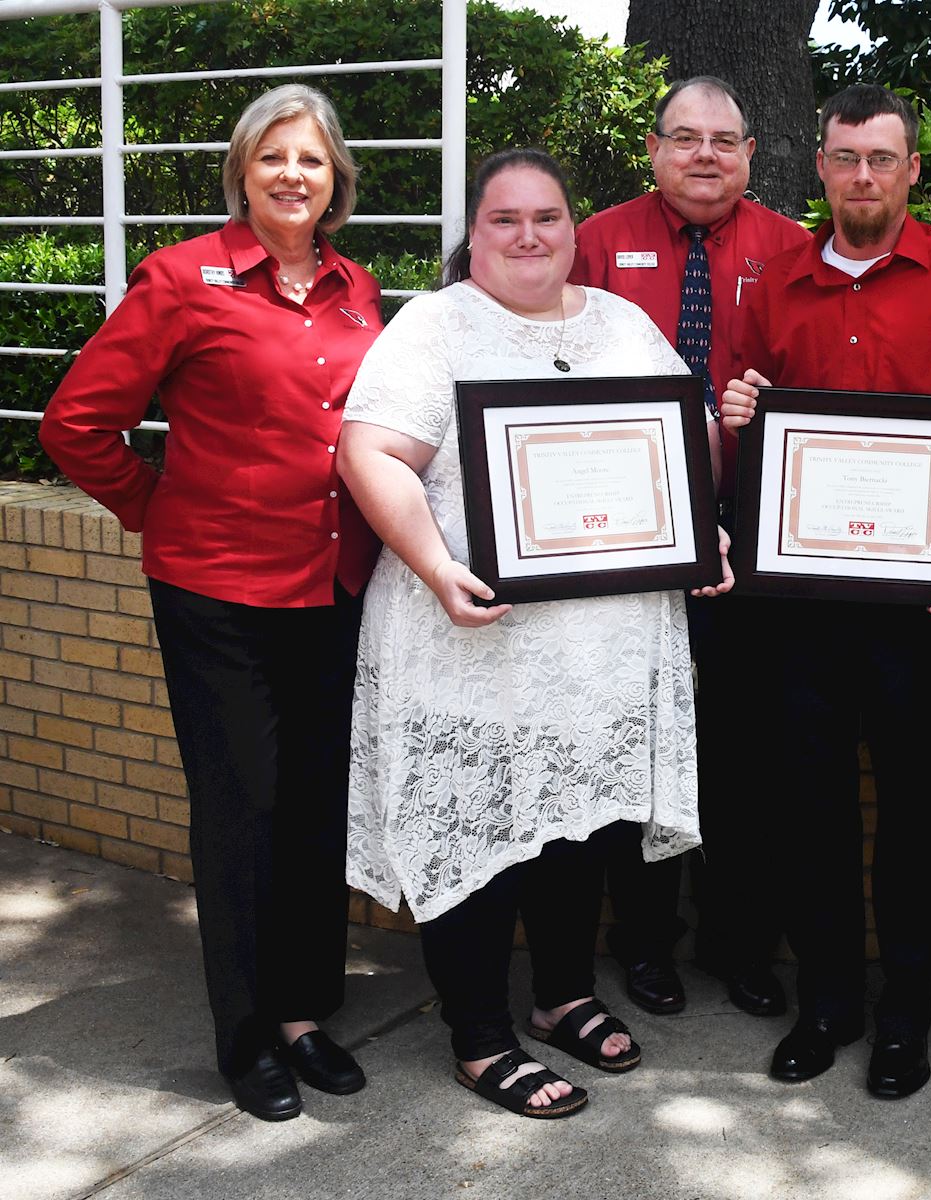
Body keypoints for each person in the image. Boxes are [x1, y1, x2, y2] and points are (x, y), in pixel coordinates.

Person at [337, 148, 728, 1121]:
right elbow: (371, 451)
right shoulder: (437, 327)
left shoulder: (622, 323)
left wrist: (700, 530)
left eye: (546, 217)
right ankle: (478, 1036)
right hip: (471, 640)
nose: (528, 236)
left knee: (576, 829)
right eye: (505, 219)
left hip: (594, 652)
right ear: (474, 233)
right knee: (480, 835)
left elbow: (681, 443)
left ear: (572, 229)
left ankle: (560, 997)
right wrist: (436, 565)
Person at [39, 85, 382, 1122]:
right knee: (244, 816)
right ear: (242, 170)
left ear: (336, 184)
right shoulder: (182, 281)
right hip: (219, 596)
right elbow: (75, 424)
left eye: (312, 162)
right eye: (273, 157)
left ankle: (302, 1015)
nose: (293, 176)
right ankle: (246, 1040)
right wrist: (159, 510)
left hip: (333, 588)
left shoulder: (356, 286)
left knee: (316, 811)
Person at [721, 84, 931, 1099]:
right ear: (820, 166)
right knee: (808, 810)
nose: (863, 177)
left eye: (882, 160)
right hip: (802, 612)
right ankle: (827, 1005)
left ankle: (904, 1014)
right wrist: (741, 413)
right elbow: (749, 426)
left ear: (911, 169)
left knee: (913, 812)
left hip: (923, 612)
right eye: (846, 158)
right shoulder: (775, 282)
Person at [570, 76, 808, 1019]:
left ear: (752, 152)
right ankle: (644, 946)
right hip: (628, 536)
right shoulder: (593, 240)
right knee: (642, 747)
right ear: (656, 149)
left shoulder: (791, 248)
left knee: (749, 750)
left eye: (725, 140)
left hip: (757, 539)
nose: (706, 156)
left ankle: (743, 944)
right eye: (686, 138)